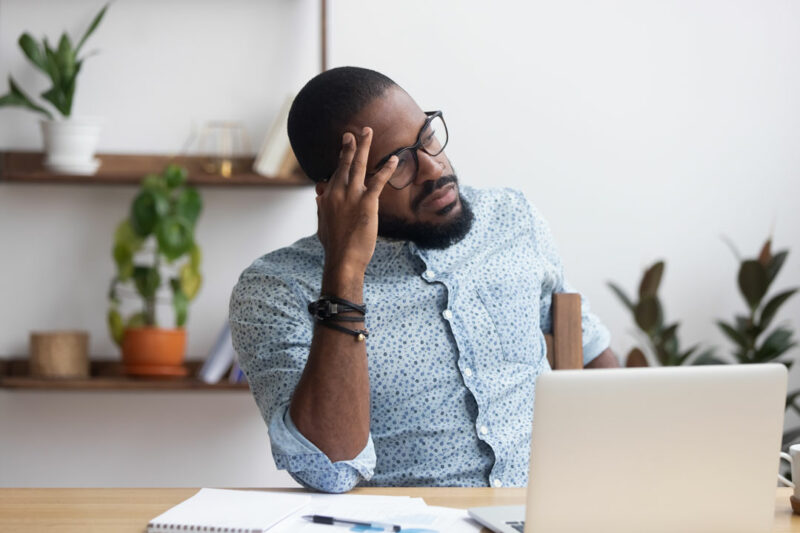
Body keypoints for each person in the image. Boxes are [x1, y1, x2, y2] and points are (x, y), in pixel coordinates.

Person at [229, 66, 619, 494]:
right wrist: (345, 270)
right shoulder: (275, 290)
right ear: (336, 190)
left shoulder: (512, 218)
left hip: (544, 515)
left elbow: (586, 346)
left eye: (427, 135)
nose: (434, 169)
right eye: (395, 164)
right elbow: (330, 470)